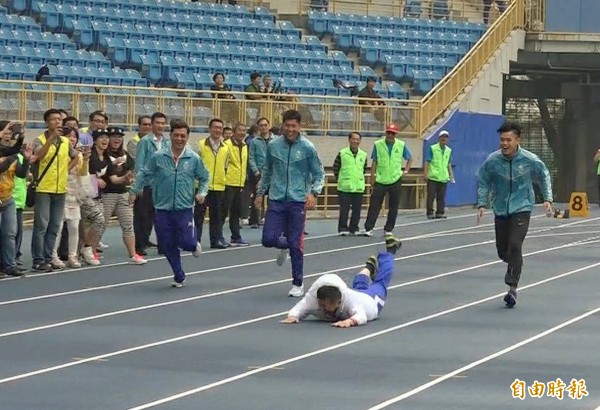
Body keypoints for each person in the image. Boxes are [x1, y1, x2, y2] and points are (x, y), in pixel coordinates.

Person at [476, 121, 553, 308]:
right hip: (501, 208)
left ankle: (512, 288)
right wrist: (482, 203)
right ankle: (515, 263)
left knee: (515, 244)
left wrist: (547, 198)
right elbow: (484, 180)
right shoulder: (493, 161)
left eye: (508, 140)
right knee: (504, 251)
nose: (504, 144)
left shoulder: (529, 159)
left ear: (518, 140)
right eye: (502, 140)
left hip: (522, 207)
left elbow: (544, 174)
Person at [255, 109, 325, 298]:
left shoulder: (308, 148)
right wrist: (260, 193)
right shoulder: (273, 146)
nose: (290, 129)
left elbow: (319, 174)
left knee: (297, 244)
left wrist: (314, 194)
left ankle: (297, 283)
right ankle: (284, 244)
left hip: (297, 201)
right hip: (276, 199)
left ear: (299, 127)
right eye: (287, 125)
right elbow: (267, 171)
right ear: (282, 125)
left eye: (294, 126)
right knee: (268, 239)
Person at [130, 120, 208, 288]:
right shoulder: (159, 157)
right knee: (166, 244)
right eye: (176, 135)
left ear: (187, 137)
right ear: (170, 135)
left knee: (186, 243)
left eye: (183, 136)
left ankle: (194, 244)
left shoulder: (193, 158)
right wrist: (134, 190)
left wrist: (202, 192)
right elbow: (144, 172)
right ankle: (178, 274)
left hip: (184, 207)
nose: (179, 139)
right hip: (162, 208)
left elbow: (204, 177)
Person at [280, 234, 401, 326]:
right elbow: (300, 307)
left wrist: (349, 321)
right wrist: (293, 316)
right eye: (321, 304)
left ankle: (390, 251)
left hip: (370, 300)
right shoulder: (313, 300)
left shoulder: (352, 303)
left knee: (380, 282)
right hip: (357, 293)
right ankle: (369, 268)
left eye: (326, 306)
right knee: (358, 286)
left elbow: (362, 315)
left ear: (338, 302)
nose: (323, 309)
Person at [363, 123, 413, 237]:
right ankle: (369, 228)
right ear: (386, 133)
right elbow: (374, 162)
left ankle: (388, 228)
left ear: (396, 134)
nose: (390, 135)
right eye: (389, 133)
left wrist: (405, 171)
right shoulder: (378, 144)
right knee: (374, 205)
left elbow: (409, 158)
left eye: (393, 133)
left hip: (395, 179)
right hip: (381, 179)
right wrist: (372, 178)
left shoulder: (401, 145)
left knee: (393, 206)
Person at [134, 112, 168, 255]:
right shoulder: (145, 141)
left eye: (163, 123)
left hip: (163, 186)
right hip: (148, 184)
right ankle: (140, 244)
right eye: (158, 123)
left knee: (161, 217)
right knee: (143, 217)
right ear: (153, 124)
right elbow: (140, 164)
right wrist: (139, 184)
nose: (160, 126)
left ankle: (163, 244)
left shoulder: (167, 142)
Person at [332, 131, 367, 236]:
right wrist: (340, 179)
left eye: (358, 139)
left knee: (357, 210)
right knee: (344, 209)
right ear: (349, 140)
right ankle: (343, 228)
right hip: (345, 186)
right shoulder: (342, 153)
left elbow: (363, 169)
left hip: (358, 187)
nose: (355, 141)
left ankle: (354, 228)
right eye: (353, 139)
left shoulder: (363, 154)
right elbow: (336, 167)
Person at [424, 130, 454, 219]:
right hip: (433, 176)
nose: (444, 138)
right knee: (431, 196)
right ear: (439, 138)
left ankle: (439, 212)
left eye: (445, 137)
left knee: (441, 196)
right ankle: (430, 212)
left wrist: (451, 175)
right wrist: (425, 173)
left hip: (443, 177)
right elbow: (427, 161)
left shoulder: (449, 150)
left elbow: (448, 163)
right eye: (442, 137)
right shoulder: (432, 148)